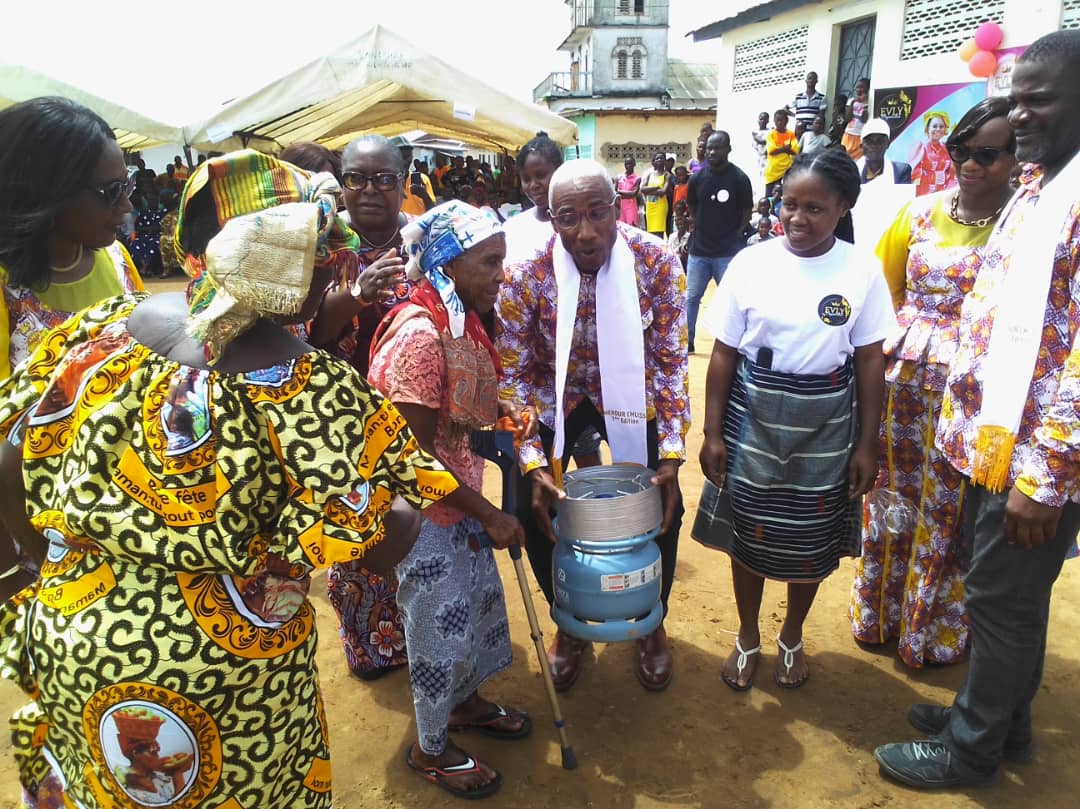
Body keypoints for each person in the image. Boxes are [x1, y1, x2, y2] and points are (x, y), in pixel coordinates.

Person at [0, 149, 522, 809]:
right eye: (321, 244)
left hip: (79, 650)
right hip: (228, 684)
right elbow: (382, 538)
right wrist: (398, 510)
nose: (335, 259)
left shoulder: (105, 334)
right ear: (279, 257)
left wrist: (25, 579)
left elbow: (12, 454)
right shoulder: (302, 384)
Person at [874, 29, 1080, 788]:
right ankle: (1002, 718)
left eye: (1041, 102)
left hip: (1029, 457)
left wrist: (1045, 479)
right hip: (984, 438)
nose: (1021, 116)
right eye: (1016, 100)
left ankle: (971, 748)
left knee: (1003, 601)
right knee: (1001, 596)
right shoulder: (1038, 187)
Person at [695, 148, 894, 691]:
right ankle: (746, 637)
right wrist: (713, 434)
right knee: (750, 533)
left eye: (815, 209)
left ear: (843, 208)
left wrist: (867, 444)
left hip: (829, 423)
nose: (798, 219)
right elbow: (723, 354)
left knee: (810, 537)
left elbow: (870, 359)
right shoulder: (751, 263)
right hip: (753, 417)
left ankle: (792, 636)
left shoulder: (861, 269)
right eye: (789, 205)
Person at [497, 158, 689, 693]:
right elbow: (511, 375)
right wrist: (533, 462)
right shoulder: (526, 271)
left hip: (632, 394)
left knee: (660, 500)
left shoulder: (656, 262)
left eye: (598, 213)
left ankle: (651, 616)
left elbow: (672, 362)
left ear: (618, 208)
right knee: (528, 504)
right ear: (550, 219)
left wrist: (670, 453)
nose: (585, 232)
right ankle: (571, 619)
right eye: (568, 218)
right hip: (552, 397)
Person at [369, 200, 530, 799]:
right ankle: (429, 749)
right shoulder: (419, 337)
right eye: (489, 262)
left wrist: (503, 416)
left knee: (475, 611)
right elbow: (412, 460)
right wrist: (488, 513)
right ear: (449, 262)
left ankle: (465, 705)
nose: (500, 275)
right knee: (437, 630)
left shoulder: (457, 317)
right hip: (425, 513)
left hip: (457, 497)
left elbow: (454, 417)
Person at [849, 97, 1017, 669]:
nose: (970, 165)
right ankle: (879, 615)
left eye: (987, 155)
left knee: (948, 512)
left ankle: (930, 630)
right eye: (961, 151)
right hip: (901, 390)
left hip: (972, 397)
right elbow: (880, 295)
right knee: (890, 497)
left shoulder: (1027, 230)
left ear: (1018, 161)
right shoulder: (917, 213)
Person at [307, 135, 418, 682]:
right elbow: (308, 331)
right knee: (360, 532)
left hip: (419, 420)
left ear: (404, 180)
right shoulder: (323, 250)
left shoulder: (427, 242)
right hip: (346, 425)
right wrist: (358, 293)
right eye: (356, 178)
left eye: (383, 179)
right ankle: (372, 646)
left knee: (426, 532)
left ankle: (426, 637)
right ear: (340, 181)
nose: (369, 191)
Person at [0, 97, 143, 381]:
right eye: (112, 190)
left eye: (128, 185)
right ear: (48, 192)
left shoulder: (118, 260)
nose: (127, 206)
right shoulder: (6, 287)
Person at [685, 131, 753, 354]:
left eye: (717, 148)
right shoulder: (697, 178)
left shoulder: (740, 179)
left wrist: (733, 235)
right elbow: (692, 207)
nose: (712, 152)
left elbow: (746, 212)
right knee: (692, 297)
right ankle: (688, 341)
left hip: (727, 253)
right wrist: (701, 227)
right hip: (699, 252)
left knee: (730, 300)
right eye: (709, 148)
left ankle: (728, 345)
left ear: (728, 149)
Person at [852, 119, 914, 248]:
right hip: (857, 237)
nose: (874, 146)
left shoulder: (900, 171)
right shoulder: (851, 171)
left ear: (887, 144)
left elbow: (903, 210)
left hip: (888, 239)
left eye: (880, 141)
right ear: (862, 145)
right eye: (870, 142)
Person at [910, 111, 957, 197]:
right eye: (934, 126)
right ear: (928, 128)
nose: (938, 129)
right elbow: (913, 175)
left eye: (941, 126)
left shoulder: (946, 148)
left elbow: (952, 174)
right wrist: (932, 177)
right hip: (923, 197)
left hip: (941, 198)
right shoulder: (920, 147)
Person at [764, 109, 799, 197]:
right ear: (774, 121)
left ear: (786, 121)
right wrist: (785, 148)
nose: (779, 123)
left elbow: (795, 150)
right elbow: (771, 151)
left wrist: (779, 149)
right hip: (773, 170)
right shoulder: (771, 134)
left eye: (781, 120)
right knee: (770, 196)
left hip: (787, 170)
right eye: (777, 120)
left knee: (786, 195)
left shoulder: (791, 134)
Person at [399, 141, 436, 215]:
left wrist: (425, 197)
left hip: (418, 225)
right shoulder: (386, 181)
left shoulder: (423, 179)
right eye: (401, 157)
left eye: (408, 157)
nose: (405, 162)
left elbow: (433, 212)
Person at [641, 151, 672, 238]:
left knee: (659, 232)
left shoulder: (667, 175)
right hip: (650, 206)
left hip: (660, 206)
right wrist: (657, 187)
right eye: (657, 158)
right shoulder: (649, 174)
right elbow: (642, 189)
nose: (659, 160)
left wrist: (649, 191)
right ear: (653, 161)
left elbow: (663, 191)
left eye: (661, 158)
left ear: (665, 161)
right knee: (650, 232)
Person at [842, 78, 871, 159]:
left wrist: (864, 104)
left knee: (858, 159)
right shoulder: (851, 101)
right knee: (845, 158)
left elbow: (864, 120)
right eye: (857, 87)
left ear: (867, 89)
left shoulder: (869, 102)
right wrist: (853, 103)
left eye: (861, 87)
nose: (859, 89)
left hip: (860, 136)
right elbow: (847, 118)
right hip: (849, 134)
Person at [616, 156, 642, 226]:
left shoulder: (637, 178)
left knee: (631, 228)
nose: (628, 166)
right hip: (620, 207)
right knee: (620, 228)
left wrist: (620, 192)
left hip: (631, 207)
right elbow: (615, 193)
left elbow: (634, 193)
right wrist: (625, 194)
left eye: (630, 164)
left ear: (634, 164)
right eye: (626, 164)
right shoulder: (619, 177)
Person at [668, 200, 691, 267]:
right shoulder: (672, 236)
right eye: (678, 224)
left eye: (682, 224)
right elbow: (669, 250)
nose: (680, 226)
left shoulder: (689, 237)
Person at [751, 111, 771, 176]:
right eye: (760, 119)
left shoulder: (770, 131)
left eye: (764, 119)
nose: (762, 121)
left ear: (767, 121)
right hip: (759, 159)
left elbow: (764, 142)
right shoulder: (755, 132)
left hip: (768, 159)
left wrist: (757, 138)